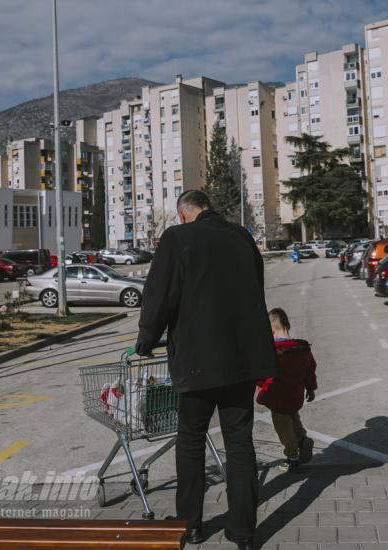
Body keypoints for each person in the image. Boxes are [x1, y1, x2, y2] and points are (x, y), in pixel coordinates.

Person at [136, 190, 278, 550]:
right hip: (241, 361)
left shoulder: (178, 237)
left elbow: (160, 294)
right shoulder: (243, 238)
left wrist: (147, 336)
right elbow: (254, 289)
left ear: (184, 214)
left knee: (191, 442)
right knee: (240, 443)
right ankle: (244, 533)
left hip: (197, 361)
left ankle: (191, 526)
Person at [256, 308, 317, 473]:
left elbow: (262, 375)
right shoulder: (301, 349)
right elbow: (310, 370)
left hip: (278, 398)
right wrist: (310, 389)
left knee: (283, 429)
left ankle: (292, 458)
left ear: (271, 329)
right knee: (294, 420)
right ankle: (303, 440)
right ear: (287, 325)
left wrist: (259, 383)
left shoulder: (273, 352)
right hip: (294, 395)